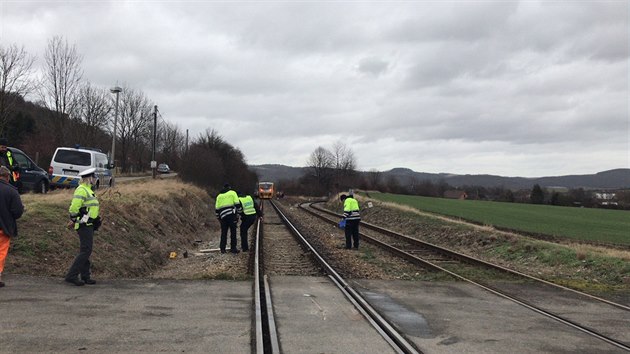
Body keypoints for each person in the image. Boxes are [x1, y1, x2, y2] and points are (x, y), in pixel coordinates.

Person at [65, 167, 101, 286]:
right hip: (83, 224)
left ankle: (85, 276)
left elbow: (90, 207)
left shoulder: (89, 190)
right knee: (86, 250)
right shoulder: (82, 190)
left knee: (85, 250)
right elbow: (74, 207)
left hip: (89, 224)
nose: (95, 179)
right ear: (89, 178)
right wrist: (75, 219)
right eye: (94, 177)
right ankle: (72, 275)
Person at [0, 166, 24, 288]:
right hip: (3, 227)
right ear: (7, 177)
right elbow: (17, 211)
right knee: (1, 252)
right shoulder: (12, 191)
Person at [215, 184, 241, 254]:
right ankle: (233, 248)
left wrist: (218, 217)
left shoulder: (219, 196)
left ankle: (222, 249)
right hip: (231, 215)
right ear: (229, 188)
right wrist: (239, 213)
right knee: (233, 231)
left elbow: (217, 209)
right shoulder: (233, 193)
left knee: (224, 232)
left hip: (222, 216)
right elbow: (237, 204)